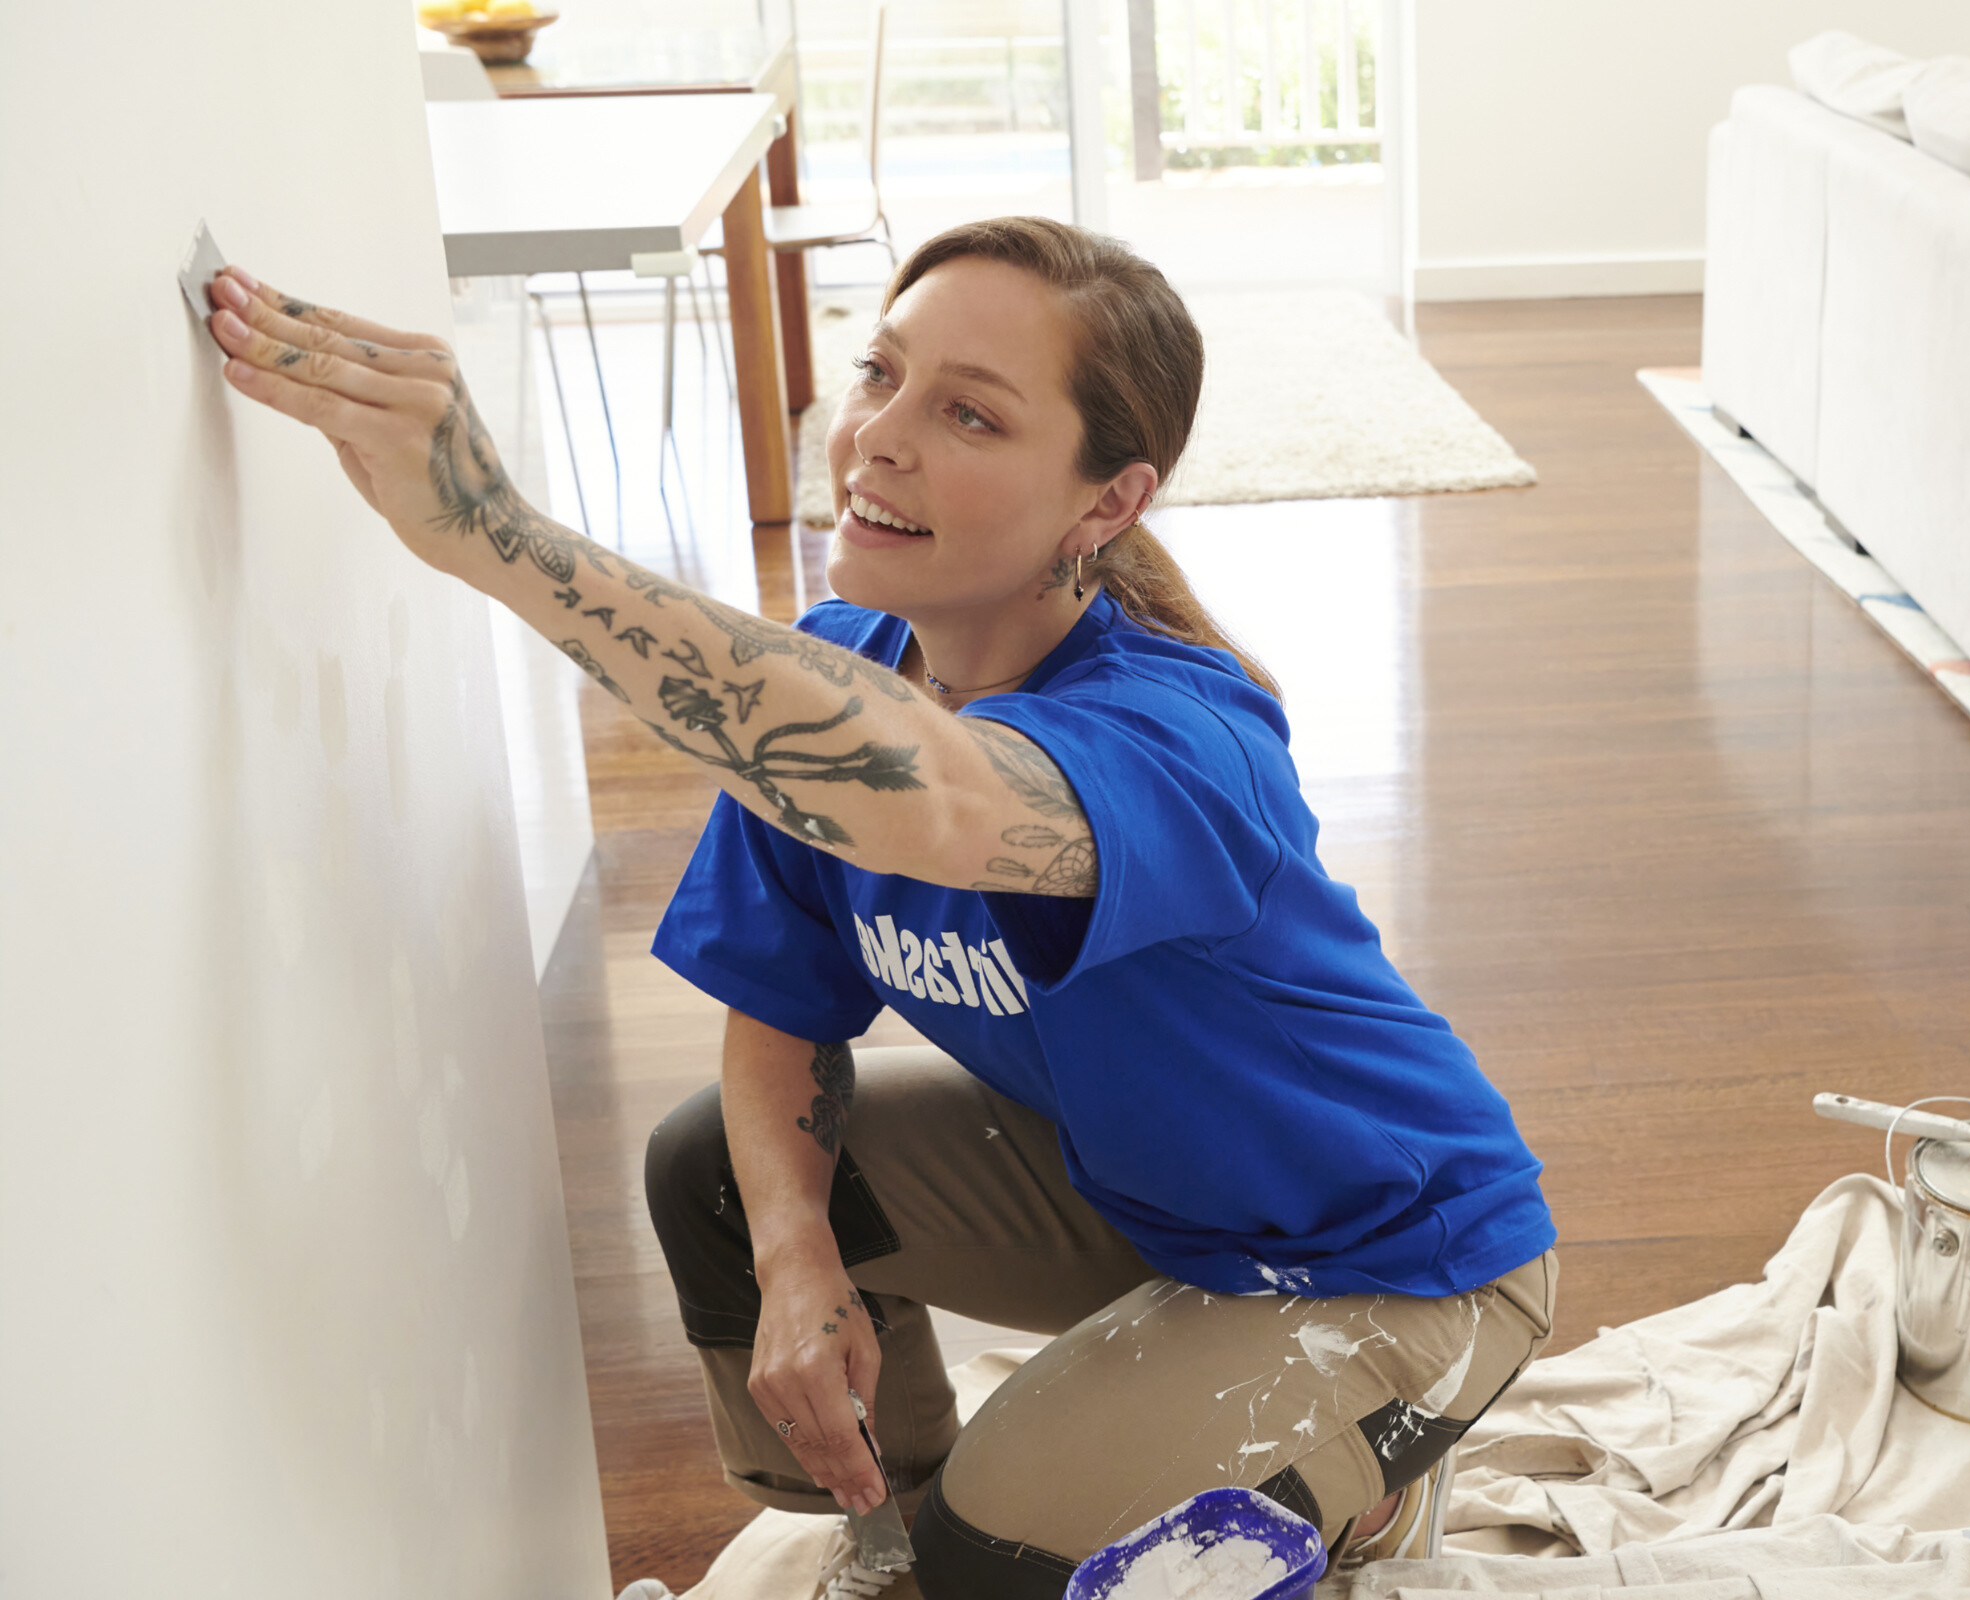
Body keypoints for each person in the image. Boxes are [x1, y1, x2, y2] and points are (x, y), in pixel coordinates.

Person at [203, 216, 1557, 1600]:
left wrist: (501, 542)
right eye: (880, 373)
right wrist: (799, 1270)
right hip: (1140, 1195)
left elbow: (940, 799)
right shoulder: (846, 659)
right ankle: (893, 1541)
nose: (878, 439)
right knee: (725, 1181)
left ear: (1105, 504)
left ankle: (1329, 1496)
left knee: (1010, 1561)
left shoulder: (1177, 736)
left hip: (1382, 1261)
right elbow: (777, 1012)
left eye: (970, 414)